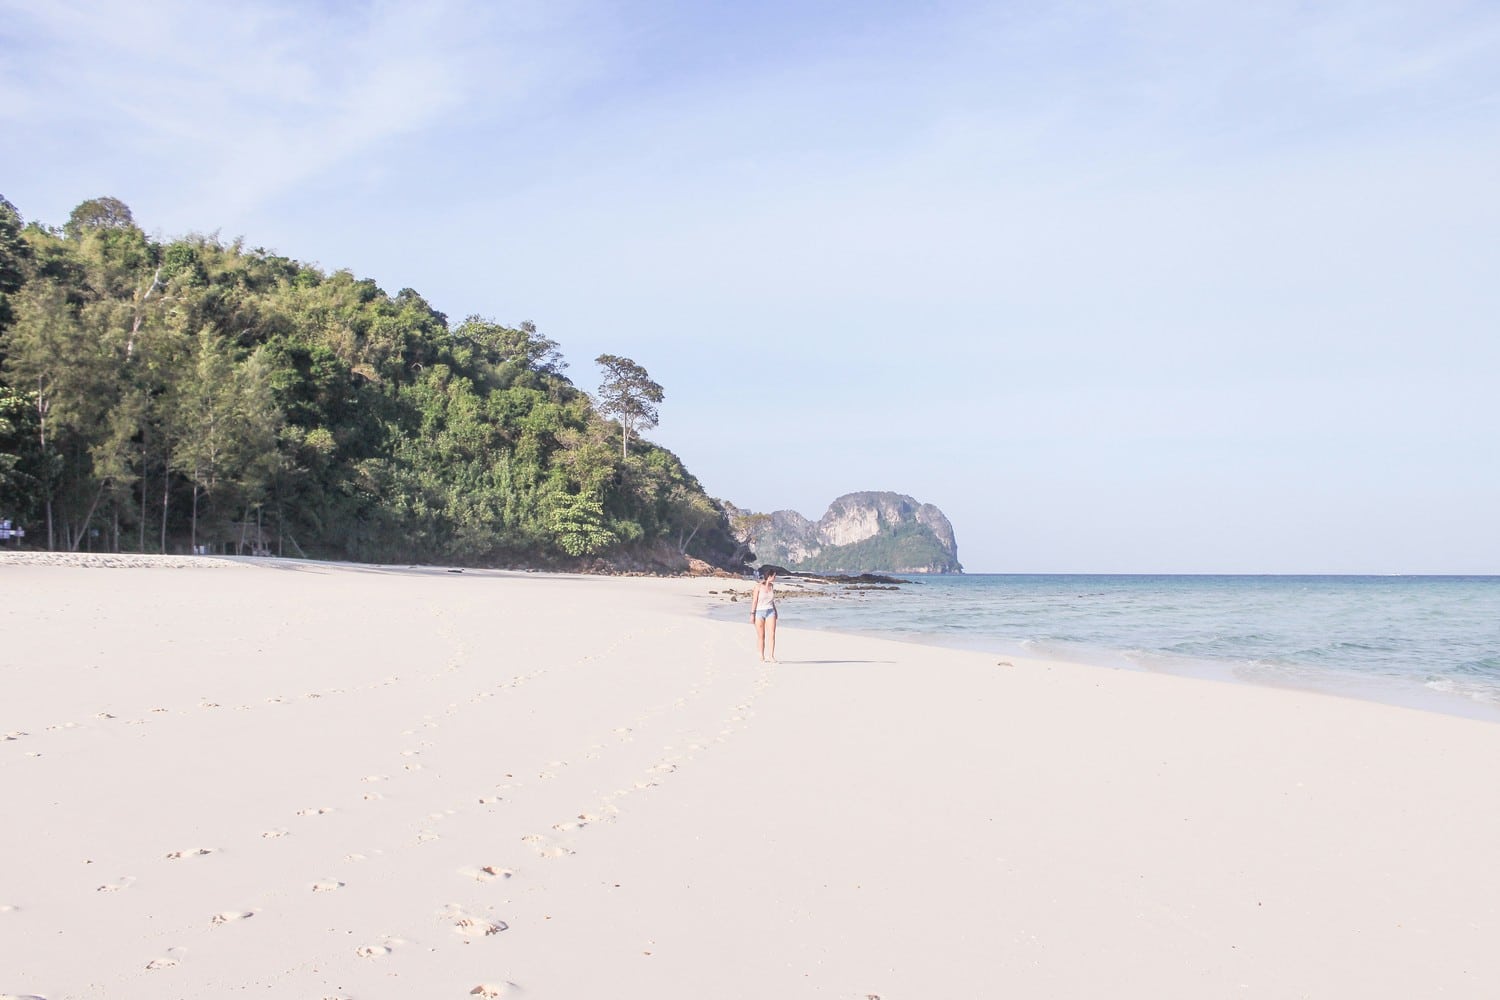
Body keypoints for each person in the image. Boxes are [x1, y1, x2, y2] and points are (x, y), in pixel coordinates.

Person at [749, 567, 779, 662]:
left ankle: (771, 656)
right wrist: (752, 614)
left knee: (772, 635)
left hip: (770, 611)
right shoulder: (758, 587)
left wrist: (775, 610)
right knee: (761, 636)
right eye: (774, 576)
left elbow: (772, 601)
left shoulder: (772, 586)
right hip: (759, 612)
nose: (775, 577)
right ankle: (761, 656)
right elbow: (754, 601)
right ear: (769, 576)